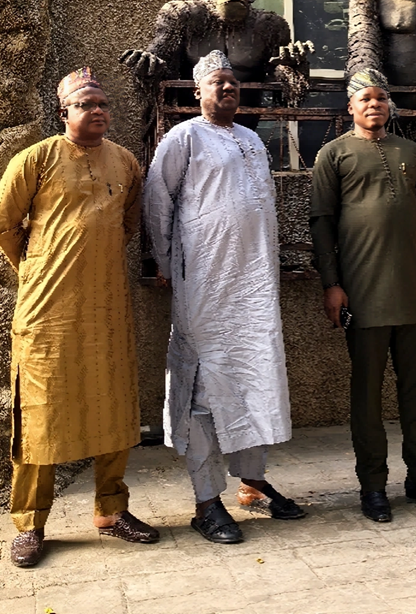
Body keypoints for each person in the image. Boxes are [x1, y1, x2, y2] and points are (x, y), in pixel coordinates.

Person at [0, 67, 159, 569]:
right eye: (86, 104)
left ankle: (111, 510)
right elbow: (0, 224)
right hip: (48, 311)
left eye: (103, 104)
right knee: (40, 414)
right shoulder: (36, 158)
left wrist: (91, 261)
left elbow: (129, 223)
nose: (98, 111)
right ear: (64, 113)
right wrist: (39, 265)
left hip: (106, 308)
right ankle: (30, 523)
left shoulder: (125, 161)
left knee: (114, 406)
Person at [144, 50, 305, 544]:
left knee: (253, 378)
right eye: (217, 81)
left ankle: (253, 483)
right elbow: (157, 202)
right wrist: (169, 264)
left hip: (253, 288)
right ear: (198, 91)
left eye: (233, 81)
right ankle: (206, 501)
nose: (228, 87)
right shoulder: (183, 137)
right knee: (203, 387)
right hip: (204, 284)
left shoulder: (252, 139)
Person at [309, 69, 416, 523]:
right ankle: (373, 485)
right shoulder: (333, 154)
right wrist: (332, 283)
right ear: (350, 108)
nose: (373, 104)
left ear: (389, 105)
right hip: (363, 291)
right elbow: (321, 222)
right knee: (367, 394)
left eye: (380, 98)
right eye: (365, 99)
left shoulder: (410, 151)